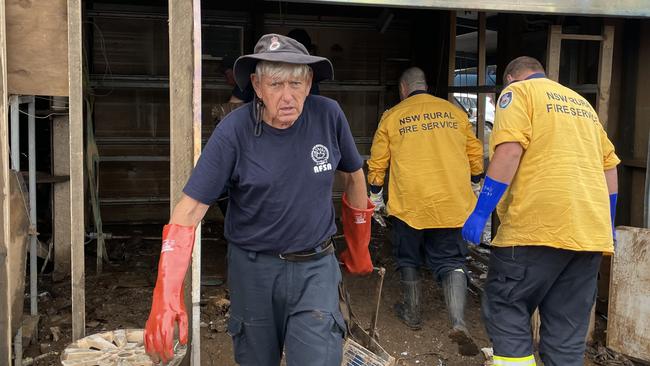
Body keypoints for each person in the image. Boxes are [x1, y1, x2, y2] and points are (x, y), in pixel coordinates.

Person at [143, 34, 375, 366]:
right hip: (253, 271)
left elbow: (354, 176)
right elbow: (190, 207)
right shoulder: (233, 131)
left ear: (309, 84)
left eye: (296, 83)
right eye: (276, 83)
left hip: (316, 269)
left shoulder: (329, 116)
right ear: (256, 85)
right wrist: (165, 292)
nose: (287, 96)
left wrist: (359, 244)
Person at [462, 56, 619, 366]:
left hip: (534, 230)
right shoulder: (582, 105)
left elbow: (509, 151)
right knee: (566, 335)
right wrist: (608, 223)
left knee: (507, 307)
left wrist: (481, 211)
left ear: (510, 78)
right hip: (588, 239)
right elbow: (610, 168)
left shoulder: (517, 94)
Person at [367, 67, 483, 356]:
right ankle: (457, 321)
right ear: (426, 85)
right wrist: (476, 180)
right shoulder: (454, 113)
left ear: (403, 88)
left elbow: (378, 161)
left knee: (408, 256)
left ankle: (413, 312)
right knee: (452, 259)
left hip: (410, 204)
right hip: (450, 202)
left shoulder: (393, 117)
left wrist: (375, 194)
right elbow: (475, 153)